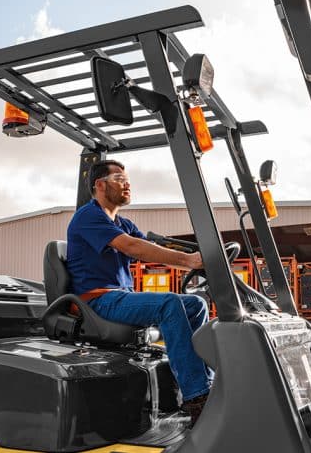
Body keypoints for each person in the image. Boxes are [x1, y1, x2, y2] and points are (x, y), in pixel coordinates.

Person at [66, 159, 212, 424]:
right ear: (100, 185)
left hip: (121, 297)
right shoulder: (88, 217)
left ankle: (204, 384)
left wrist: (196, 256)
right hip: (99, 299)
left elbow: (148, 247)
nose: (127, 184)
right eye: (120, 178)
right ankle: (197, 397)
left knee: (196, 304)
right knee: (169, 304)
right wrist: (189, 261)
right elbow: (134, 248)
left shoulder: (123, 223)